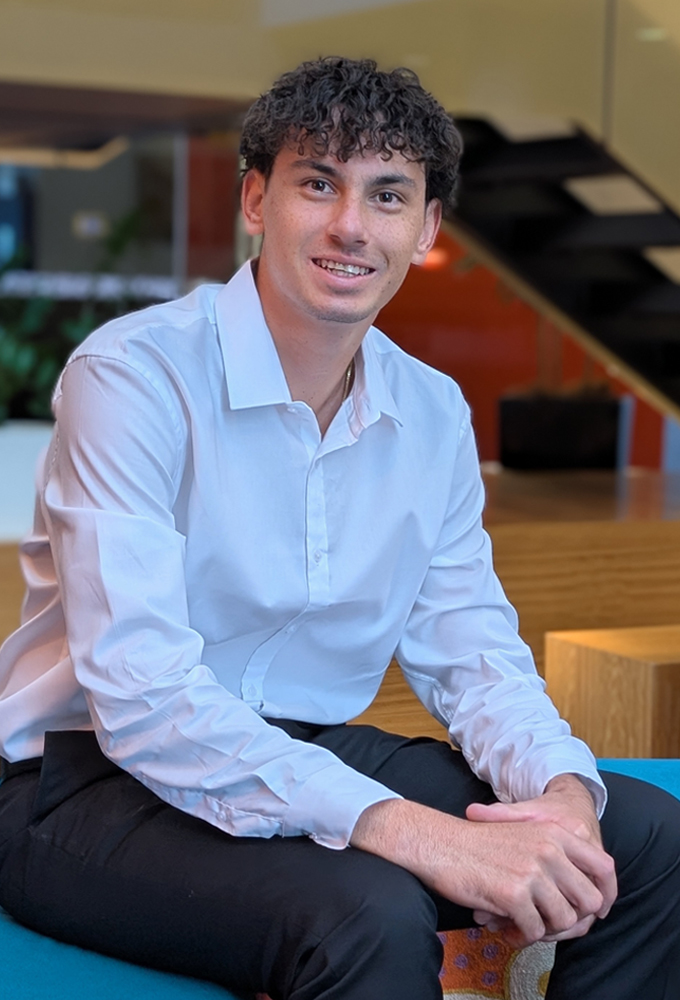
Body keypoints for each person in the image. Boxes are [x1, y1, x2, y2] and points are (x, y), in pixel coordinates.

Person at [0, 56, 678, 1000]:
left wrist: (558, 792)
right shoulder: (133, 377)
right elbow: (144, 701)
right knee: (369, 914)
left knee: (643, 837)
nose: (351, 226)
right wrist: (409, 828)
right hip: (83, 780)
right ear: (255, 199)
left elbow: (472, 654)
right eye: (318, 183)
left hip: (302, 747)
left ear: (427, 226)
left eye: (388, 194)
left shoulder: (431, 411)